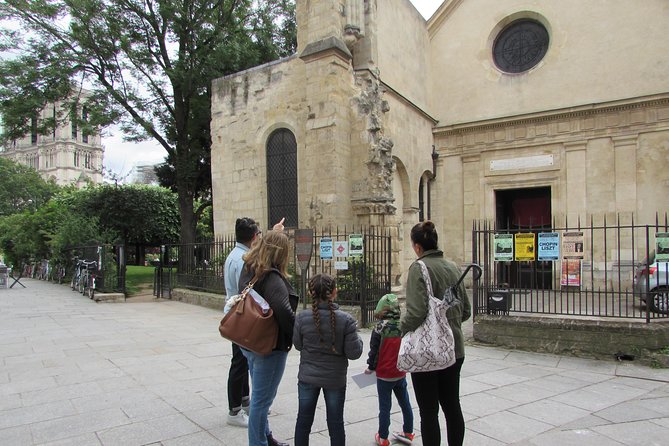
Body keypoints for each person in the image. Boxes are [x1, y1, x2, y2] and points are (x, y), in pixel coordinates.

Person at [400, 221, 470, 446]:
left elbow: (416, 313)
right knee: (452, 405)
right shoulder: (452, 266)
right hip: (455, 347)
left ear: (417, 246)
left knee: (429, 411)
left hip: (428, 351)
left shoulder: (418, 268)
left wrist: (399, 330)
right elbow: (466, 310)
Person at [239, 230, 297, 446]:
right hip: (269, 348)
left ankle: (266, 437)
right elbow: (283, 312)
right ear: (282, 254)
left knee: (259, 398)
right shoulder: (272, 278)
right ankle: (258, 443)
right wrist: (299, 334)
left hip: (250, 342)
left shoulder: (250, 269)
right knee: (262, 402)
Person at [293, 274, 363, 446]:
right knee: (335, 423)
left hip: (307, 377)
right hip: (335, 379)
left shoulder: (302, 318)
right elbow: (354, 353)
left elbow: (297, 345)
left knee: (303, 421)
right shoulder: (346, 320)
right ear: (334, 292)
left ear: (311, 293)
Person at [223, 217, 261, 427]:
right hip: (241, 317)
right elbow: (247, 292)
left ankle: (244, 401)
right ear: (254, 236)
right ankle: (234, 410)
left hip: (235, 313)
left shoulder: (235, 255)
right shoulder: (242, 259)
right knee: (239, 363)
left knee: (242, 360)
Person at [365, 293, 414, 446]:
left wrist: (371, 367)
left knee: (385, 407)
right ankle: (408, 432)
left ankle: (383, 437)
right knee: (405, 402)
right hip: (400, 373)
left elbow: (374, 351)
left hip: (384, 375)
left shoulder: (379, 328)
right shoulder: (402, 326)